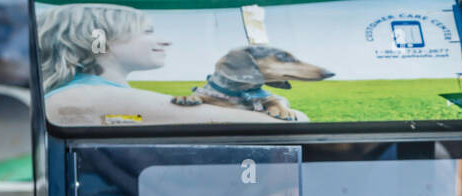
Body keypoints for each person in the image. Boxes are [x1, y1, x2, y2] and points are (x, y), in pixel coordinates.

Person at [36, 3, 305, 124]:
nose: (164, 41)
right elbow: (289, 124)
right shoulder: (87, 97)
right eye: (148, 31)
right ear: (98, 39)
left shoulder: (89, 93)